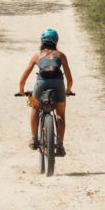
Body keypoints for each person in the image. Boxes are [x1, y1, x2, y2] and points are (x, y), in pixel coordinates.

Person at [18, 28, 73, 156]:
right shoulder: (61, 55)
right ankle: (59, 145)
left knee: (35, 108)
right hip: (58, 84)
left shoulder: (37, 55)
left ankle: (33, 139)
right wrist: (68, 90)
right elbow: (69, 78)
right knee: (60, 115)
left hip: (41, 83)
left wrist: (21, 90)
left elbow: (24, 77)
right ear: (56, 41)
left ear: (42, 41)